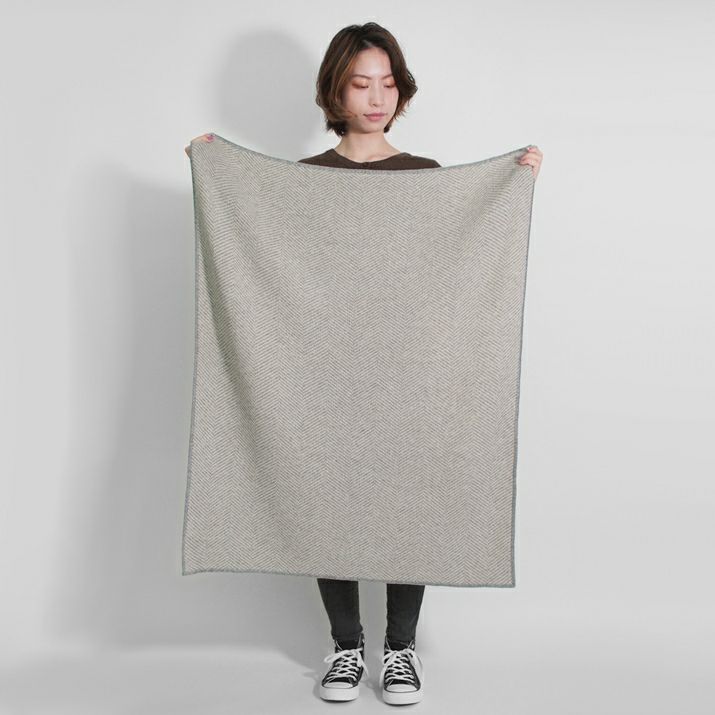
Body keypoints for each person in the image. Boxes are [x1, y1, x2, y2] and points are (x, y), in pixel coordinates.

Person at [186, 20, 542, 708]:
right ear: (334, 91)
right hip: (324, 374)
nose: (376, 98)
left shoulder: (426, 177)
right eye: (360, 84)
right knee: (327, 494)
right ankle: (345, 645)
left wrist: (512, 185)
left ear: (401, 89)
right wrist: (215, 168)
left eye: (387, 83)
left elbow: (454, 264)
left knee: (413, 497)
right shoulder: (306, 180)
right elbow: (266, 244)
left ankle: (400, 648)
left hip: (411, 373)